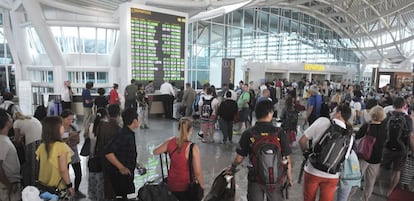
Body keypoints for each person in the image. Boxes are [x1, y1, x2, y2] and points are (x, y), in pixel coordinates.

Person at [229, 100, 293, 200]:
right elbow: (287, 159)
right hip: (275, 179)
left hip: (255, 178)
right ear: (270, 113)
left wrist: (232, 168)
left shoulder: (249, 133)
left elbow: (239, 158)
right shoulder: (279, 132)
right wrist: (289, 177)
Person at [299, 104, 352, 201]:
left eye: (334, 111)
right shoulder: (349, 136)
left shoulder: (323, 121)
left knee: (308, 198)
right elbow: (344, 158)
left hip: (313, 170)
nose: (331, 113)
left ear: (339, 113)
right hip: (332, 175)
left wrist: (307, 155)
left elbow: (302, 140)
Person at [153, 117, 205, 201]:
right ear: (191, 130)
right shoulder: (193, 148)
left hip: (172, 184)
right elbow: (198, 172)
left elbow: (155, 151)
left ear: (178, 128)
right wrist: (202, 186)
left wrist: (167, 148)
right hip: (186, 187)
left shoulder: (170, 141)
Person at [104, 108, 142, 200]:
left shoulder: (128, 133)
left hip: (127, 173)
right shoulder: (123, 135)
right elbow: (108, 152)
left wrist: (136, 164)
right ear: (134, 121)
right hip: (121, 176)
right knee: (127, 196)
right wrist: (121, 167)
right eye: (138, 118)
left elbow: (125, 152)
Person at [381, 96, 413, 197]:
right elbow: (410, 135)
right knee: (397, 170)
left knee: (381, 167)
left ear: (393, 105)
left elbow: (383, 131)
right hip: (402, 148)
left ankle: (373, 184)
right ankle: (390, 191)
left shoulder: (388, 115)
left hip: (387, 146)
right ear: (404, 105)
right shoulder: (408, 118)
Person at [36, 116, 75, 198]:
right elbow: (63, 170)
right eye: (61, 125)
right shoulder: (61, 146)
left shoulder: (42, 145)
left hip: (43, 186)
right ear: (55, 129)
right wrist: (69, 185)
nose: (63, 127)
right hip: (57, 188)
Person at [354, 106, 387, 201]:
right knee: (370, 181)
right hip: (376, 159)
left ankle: (349, 196)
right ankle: (366, 198)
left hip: (363, 156)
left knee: (356, 178)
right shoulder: (384, 128)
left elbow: (357, 137)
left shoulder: (366, 126)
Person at [96, 104, 121, 200]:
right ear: (119, 114)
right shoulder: (117, 128)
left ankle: (107, 196)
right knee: (113, 181)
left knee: (106, 179)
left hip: (102, 156)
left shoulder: (102, 125)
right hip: (113, 158)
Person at [60, 110, 85, 198]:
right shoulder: (59, 128)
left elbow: (78, 140)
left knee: (78, 173)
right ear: (62, 119)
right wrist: (70, 137)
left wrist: (73, 139)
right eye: (68, 119)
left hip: (74, 153)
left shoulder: (73, 127)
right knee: (65, 172)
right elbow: (60, 143)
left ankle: (76, 190)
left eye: (71, 119)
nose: (70, 121)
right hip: (63, 154)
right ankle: (66, 189)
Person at [13, 112, 42, 187]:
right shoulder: (29, 118)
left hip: (32, 141)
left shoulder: (16, 122)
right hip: (41, 140)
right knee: (38, 163)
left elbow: (17, 140)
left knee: (31, 164)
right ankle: (39, 182)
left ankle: (32, 185)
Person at [0, 109, 21, 201]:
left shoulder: (4, 139)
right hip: (7, 185)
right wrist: (8, 184)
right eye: (10, 117)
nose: (12, 119)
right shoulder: (2, 141)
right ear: (6, 122)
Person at [88, 108, 108, 201]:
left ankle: (92, 196)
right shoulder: (104, 126)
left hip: (92, 157)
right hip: (101, 156)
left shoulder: (92, 125)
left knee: (92, 178)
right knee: (101, 180)